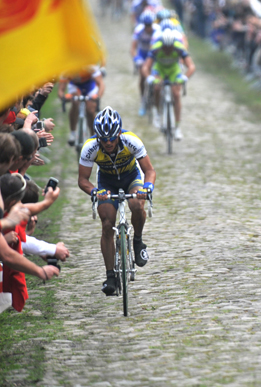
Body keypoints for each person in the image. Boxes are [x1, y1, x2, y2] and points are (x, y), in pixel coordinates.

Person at [78, 107, 156, 296]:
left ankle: (137, 242)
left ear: (119, 133)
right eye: (103, 139)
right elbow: (82, 180)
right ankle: (110, 275)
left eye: (112, 138)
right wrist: (96, 192)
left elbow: (149, 171)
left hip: (131, 176)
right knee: (107, 224)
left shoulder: (132, 141)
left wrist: (147, 188)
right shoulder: (90, 147)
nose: (108, 142)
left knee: (137, 204)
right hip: (107, 182)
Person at [142, 29, 196, 140]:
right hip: (160, 69)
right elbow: (146, 67)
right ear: (161, 45)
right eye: (165, 48)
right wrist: (149, 78)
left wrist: (185, 78)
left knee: (176, 94)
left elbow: (191, 66)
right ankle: (157, 112)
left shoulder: (179, 47)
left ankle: (177, 127)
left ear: (173, 44)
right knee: (156, 88)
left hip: (173, 70)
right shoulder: (156, 47)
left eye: (169, 48)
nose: (167, 50)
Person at [57, 66, 105, 146]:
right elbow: (60, 90)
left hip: (90, 86)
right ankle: (73, 133)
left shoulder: (89, 65)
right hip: (75, 87)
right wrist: (64, 97)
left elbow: (101, 84)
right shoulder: (65, 68)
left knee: (90, 110)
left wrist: (98, 96)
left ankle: (94, 136)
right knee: (75, 102)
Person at [131, 10, 160, 116]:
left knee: (155, 77)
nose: (148, 28)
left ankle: (156, 103)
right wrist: (136, 58)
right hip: (142, 54)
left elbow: (154, 49)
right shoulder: (138, 30)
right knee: (143, 77)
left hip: (153, 53)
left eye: (150, 25)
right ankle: (143, 101)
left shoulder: (157, 31)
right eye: (146, 25)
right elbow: (133, 48)